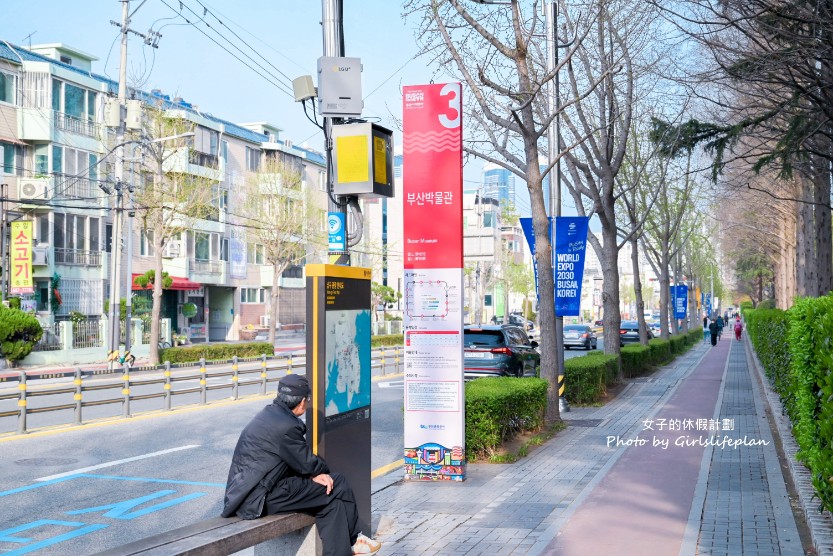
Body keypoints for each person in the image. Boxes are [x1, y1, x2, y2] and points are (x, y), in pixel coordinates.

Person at [222, 374, 381, 556]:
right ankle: (355, 540)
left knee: (332, 505)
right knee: (338, 483)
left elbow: (295, 461)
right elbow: (307, 462)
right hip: (261, 498)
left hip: (254, 493)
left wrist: (313, 474)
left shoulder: (270, 414)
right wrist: (320, 473)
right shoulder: (286, 426)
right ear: (303, 401)